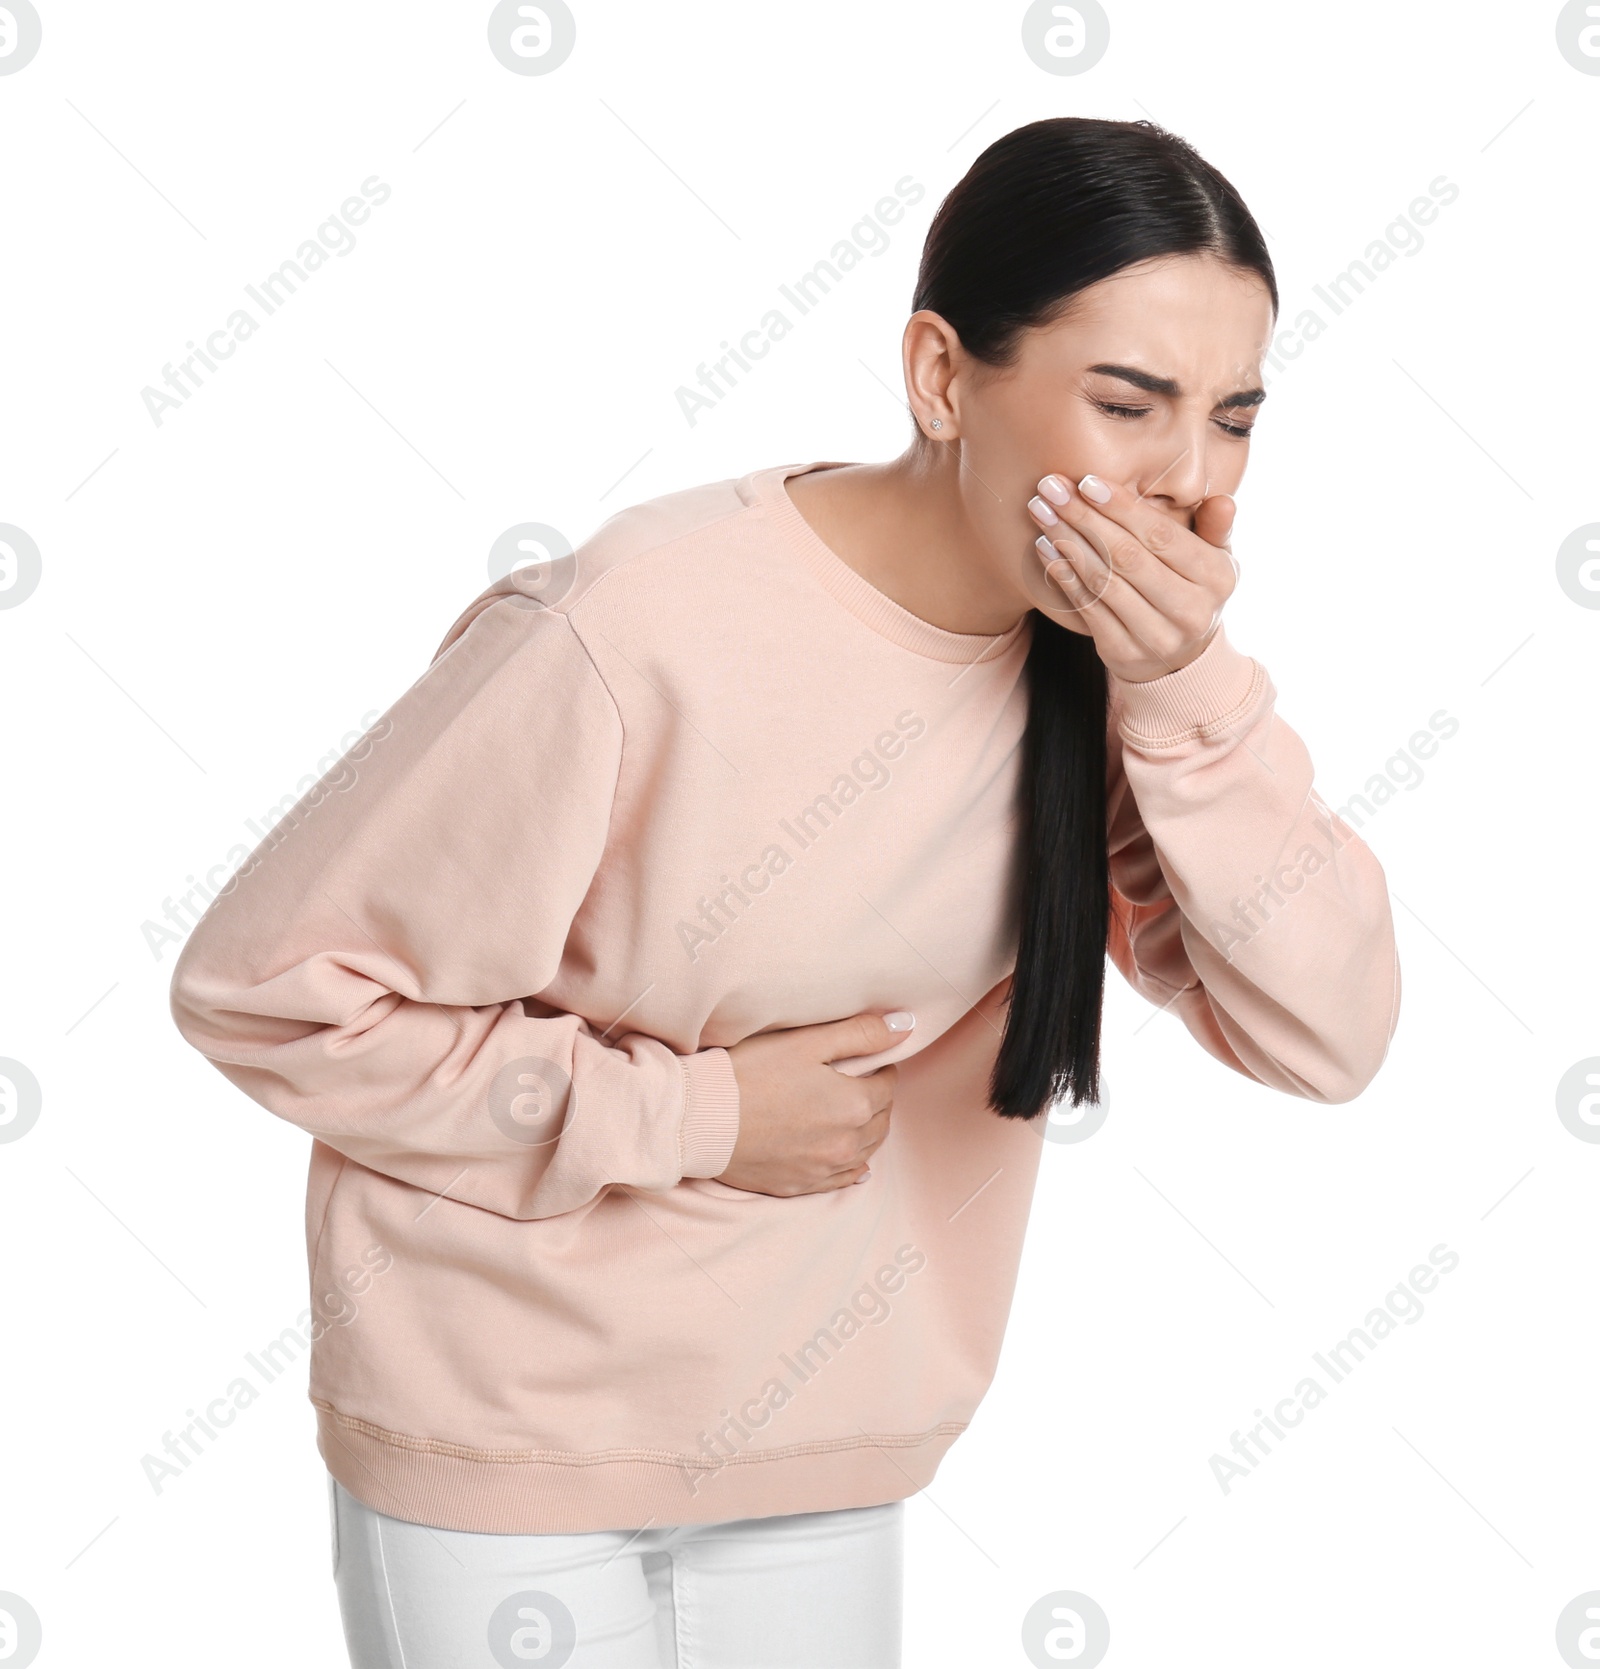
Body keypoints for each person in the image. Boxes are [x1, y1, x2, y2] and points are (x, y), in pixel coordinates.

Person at [168, 115, 1400, 1669]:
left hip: (830, 1457)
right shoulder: (638, 625)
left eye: (1233, 418)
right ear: (943, 378)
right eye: (1128, 402)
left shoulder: (1112, 692)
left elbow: (1329, 1033)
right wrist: (698, 1117)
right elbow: (266, 988)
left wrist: (1189, 688)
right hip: (508, 1448)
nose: (1187, 481)